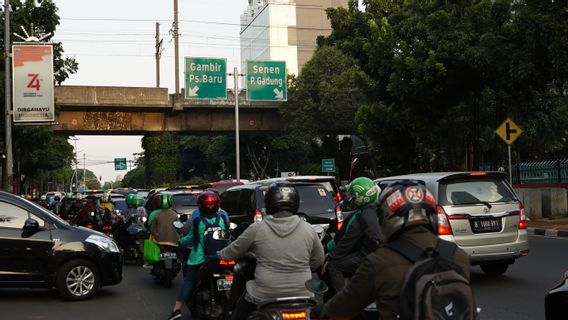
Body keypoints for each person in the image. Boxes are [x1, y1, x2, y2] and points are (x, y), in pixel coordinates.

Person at [320, 182, 470, 319]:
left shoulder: (379, 262)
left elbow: (344, 306)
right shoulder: (458, 256)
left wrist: (319, 311)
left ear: (387, 217)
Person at [217, 182, 325, 320]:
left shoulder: (257, 229)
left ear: (268, 203)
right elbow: (318, 260)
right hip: (303, 292)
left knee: (238, 313)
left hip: (264, 292)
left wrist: (219, 254)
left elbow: (231, 253)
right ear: (296, 202)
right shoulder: (308, 229)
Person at [168, 190, 229, 320]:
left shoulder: (198, 220)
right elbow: (226, 236)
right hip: (222, 257)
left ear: (200, 206)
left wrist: (180, 242)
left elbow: (190, 238)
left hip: (201, 259)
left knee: (188, 281)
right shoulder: (223, 217)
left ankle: (176, 310)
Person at [323, 177, 382, 294]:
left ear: (360, 197)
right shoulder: (379, 208)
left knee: (334, 266)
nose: (349, 197)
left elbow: (346, 243)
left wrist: (331, 257)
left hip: (369, 256)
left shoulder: (360, 217)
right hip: (383, 253)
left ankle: (343, 300)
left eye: (352, 194)